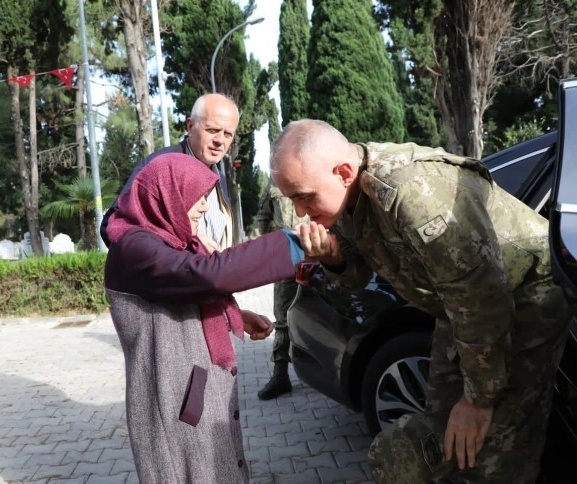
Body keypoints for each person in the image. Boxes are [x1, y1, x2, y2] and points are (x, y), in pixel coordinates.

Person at [269, 119, 572, 483]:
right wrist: (334, 257)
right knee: (444, 423)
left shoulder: (412, 192)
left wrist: (478, 400)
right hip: (459, 309)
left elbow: (481, 298)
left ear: (344, 171)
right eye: (292, 199)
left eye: (304, 196)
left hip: (524, 291)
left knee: (496, 441)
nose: (300, 212)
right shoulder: (345, 197)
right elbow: (361, 275)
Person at [104, 153, 304, 484]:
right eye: (195, 198)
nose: (202, 208)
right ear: (164, 194)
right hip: (174, 406)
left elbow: (179, 293)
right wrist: (294, 245)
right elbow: (204, 275)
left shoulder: (164, 241)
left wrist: (237, 316)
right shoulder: (133, 249)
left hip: (191, 393)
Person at [101, 92, 240, 250]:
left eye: (228, 134)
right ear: (190, 126)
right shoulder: (158, 167)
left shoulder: (220, 180)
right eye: (212, 130)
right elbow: (111, 226)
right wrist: (186, 241)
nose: (220, 141)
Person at [252, 180, 309, 400]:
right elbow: (263, 217)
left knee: (327, 313)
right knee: (282, 319)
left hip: (318, 256)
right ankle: (280, 375)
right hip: (286, 259)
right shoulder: (275, 182)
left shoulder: (316, 171)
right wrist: (266, 252)